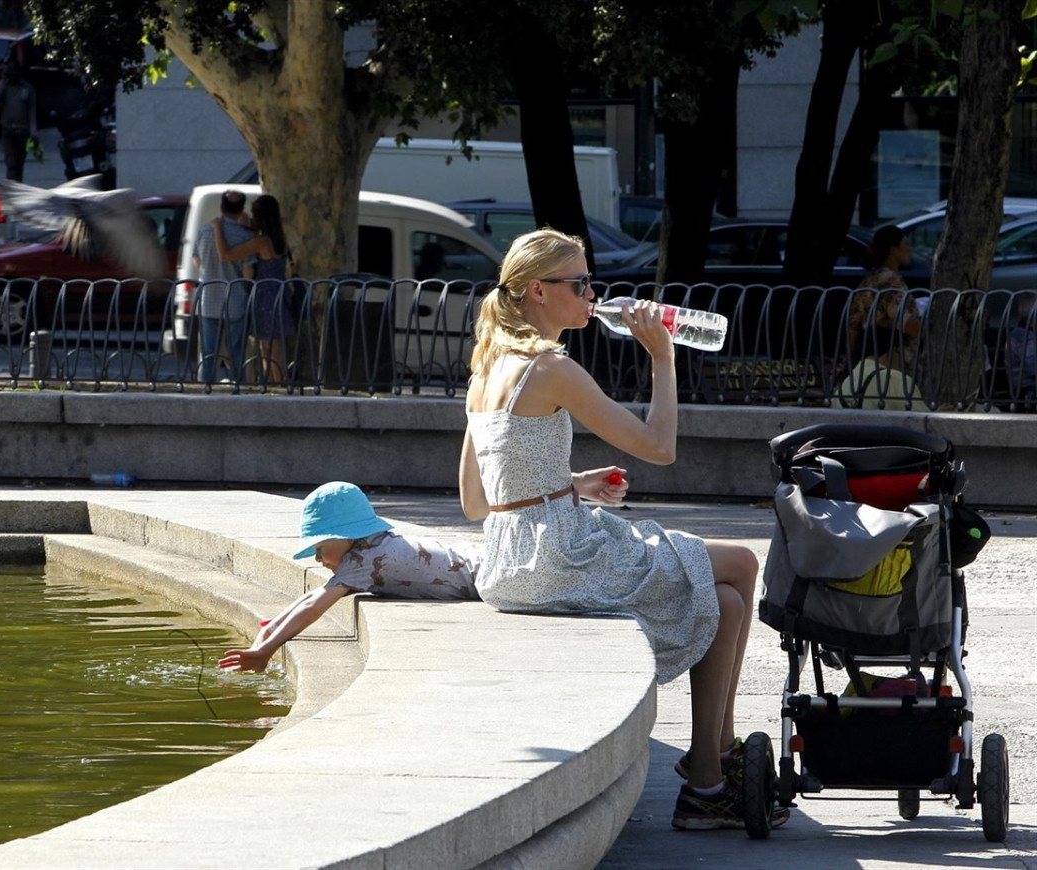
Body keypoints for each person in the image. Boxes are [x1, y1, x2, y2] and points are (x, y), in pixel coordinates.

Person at [458, 228, 776, 831]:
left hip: (507, 562)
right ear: (537, 292)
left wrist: (570, 484)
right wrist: (662, 354)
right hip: (559, 555)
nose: (592, 295)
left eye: (590, 284)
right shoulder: (551, 367)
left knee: (729, 602)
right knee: (742, 563)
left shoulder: (486, 368)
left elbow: (478, 502)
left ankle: (713, 771)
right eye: (579, 284)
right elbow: (659, 447)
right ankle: (716, 774)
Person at [218, 481, 479, 673]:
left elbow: (313, 606)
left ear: (346, 537)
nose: (318, 559)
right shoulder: (370, 547)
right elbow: (312, 596)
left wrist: (265, 651)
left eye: (320, 548)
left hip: (482, 575)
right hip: (475, 560)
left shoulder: (363, 559)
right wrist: (273, 626)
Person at [214, 194, 295, 385]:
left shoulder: (261, 242)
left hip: (263, 296)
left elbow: (226, 255)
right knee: (270, 345)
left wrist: (218, 228)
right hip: (278, 293)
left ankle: (278, 384)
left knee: (268, 347)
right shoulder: (279, 239)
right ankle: (275, 383)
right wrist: (246, 225)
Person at [842, 225, 922, 409]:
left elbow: (853, 327)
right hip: (892, 359)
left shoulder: (868, 280)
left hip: (867, 359)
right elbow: (906, 323)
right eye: (905, 244)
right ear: (893, 250)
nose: (909, 248)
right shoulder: (891, 281)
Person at [193, 190, 254, 384]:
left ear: (221, 208)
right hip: (236, 302)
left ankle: (206, 386)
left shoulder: (205, 231)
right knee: (236, 350)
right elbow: (248, 273)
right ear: (241, 210)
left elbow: (197, 261)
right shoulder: (245, 236)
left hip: (208, 300)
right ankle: (237, 386)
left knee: (208, 350)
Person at [0, 56, 38, 182]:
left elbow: (32, 111)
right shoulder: (3, 87)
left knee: (19, 164)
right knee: (11, 164)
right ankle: (11, 187)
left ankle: (17, 186)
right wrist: (4, 82)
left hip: (23, 131)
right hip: (8, 131)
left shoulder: (27, 88)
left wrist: (33, 131)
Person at [1006, 292, 1036, 411]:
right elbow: (1034, 367)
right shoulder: (1027, 338)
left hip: (1018, 389)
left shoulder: (1016, 334)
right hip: (1028, 390)